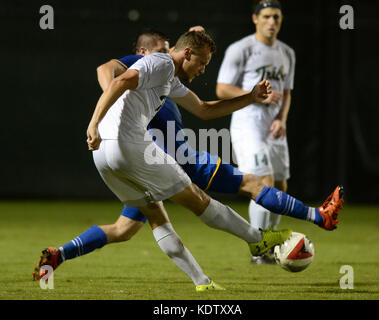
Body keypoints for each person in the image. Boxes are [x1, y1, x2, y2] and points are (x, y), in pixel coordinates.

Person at [33, 29, 343, 286]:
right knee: (201, 198)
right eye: (203, 64)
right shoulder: (159, 62)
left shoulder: (169, 79)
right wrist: (95, 121)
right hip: (141, 149)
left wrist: (250, 97)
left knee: (138, 223)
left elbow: (205, 109)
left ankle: (202, 282)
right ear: (186, 54)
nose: (204, 70)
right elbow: (115, 79)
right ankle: (260, 238)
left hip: (105, 156)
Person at [216, 0, 296, 263]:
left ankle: (270, 242)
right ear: (255, 19)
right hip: (247, 125)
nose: (272, 22)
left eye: (276, 17)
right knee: (264, 184)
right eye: (266, 17)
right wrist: (254, 96)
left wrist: (282, 120)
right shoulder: (242, 49)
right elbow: (222, 88)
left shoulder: (287, 53)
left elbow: (286, 93)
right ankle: (259, 245)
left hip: (274, 129)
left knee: (281, 188)